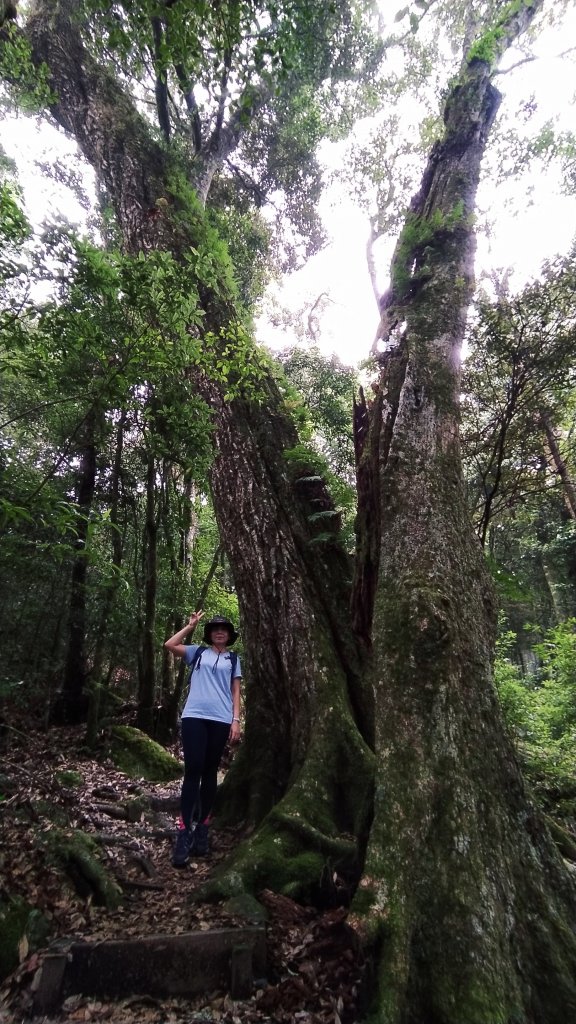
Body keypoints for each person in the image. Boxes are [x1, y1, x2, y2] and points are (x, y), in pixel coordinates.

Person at [164, 610, 242, 867]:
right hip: (194, 716)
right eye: (215, 628)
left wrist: (236, 720)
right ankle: (184, 831)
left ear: (229, 635)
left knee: (210, 773)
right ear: (210, 634)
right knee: (193, 770)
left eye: (224, 629)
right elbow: (170, 645)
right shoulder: (197, 653)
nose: (220, 631)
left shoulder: (233, 658)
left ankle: (203, 829)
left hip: (220, 719)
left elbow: (235, 691)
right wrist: (190, 626)